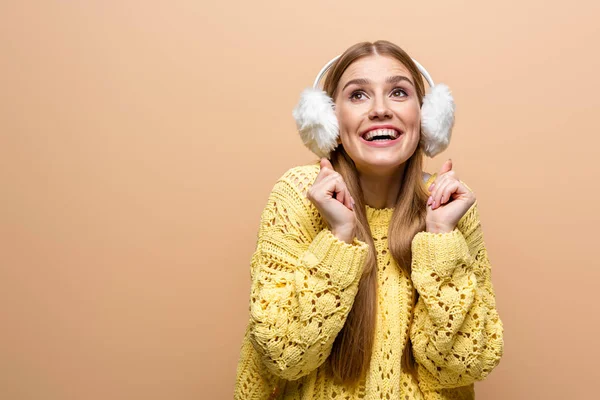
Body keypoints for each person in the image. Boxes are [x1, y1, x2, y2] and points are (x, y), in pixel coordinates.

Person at [234, 40, 504, 399]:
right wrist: (338, 238)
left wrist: (441, 238)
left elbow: (464, 364)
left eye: (398, 92)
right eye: (358, 95)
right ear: (328, 120)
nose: (380, 109)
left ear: (426, 117)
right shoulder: (298, 195)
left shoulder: (449, 205)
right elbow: (283, 356)